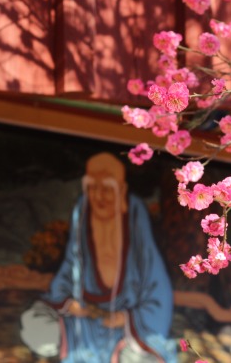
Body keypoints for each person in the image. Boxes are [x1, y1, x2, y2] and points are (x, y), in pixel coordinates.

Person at [21, 152, 176, 362]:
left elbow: (157, 289)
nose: (99, 197)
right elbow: (69, 269)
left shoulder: (134, 216)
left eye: (107, 189)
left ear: (121, 190)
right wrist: (70, 303)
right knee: (34, 324)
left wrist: (124, 318)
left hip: (124, 325)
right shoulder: (82, 211)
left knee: (141, 357)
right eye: (93, 188)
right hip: (81, 321)